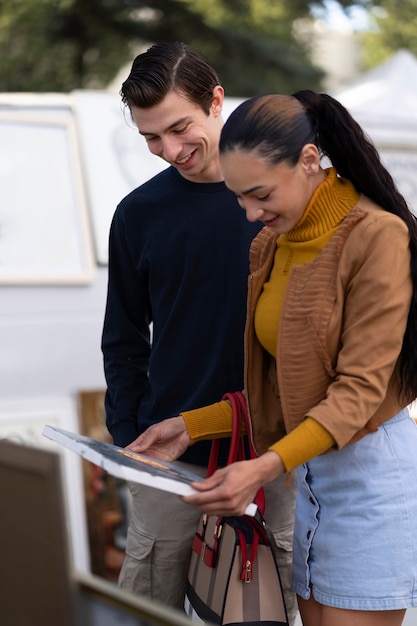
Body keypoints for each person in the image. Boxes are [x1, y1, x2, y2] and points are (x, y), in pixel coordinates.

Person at [129, 90, 417, 626]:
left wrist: (260, 467)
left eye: (260, 194)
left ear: (310, 161)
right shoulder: (270, 244)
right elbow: (284, 385)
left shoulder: (377, 235)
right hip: (306, 476)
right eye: (239, 198)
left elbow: (357, 394)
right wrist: (192, 426)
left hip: (369, 479)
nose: (251, 213)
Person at [101, 43, 298, 623]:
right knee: (145, 606)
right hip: (167, 456)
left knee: (276, 606)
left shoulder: (282, 202)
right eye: (151, 139)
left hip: (278, 450)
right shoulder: (138, 214)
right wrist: (127, 437)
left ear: (216, 101)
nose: (170, 151)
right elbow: (125, 338)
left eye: (179, 128)